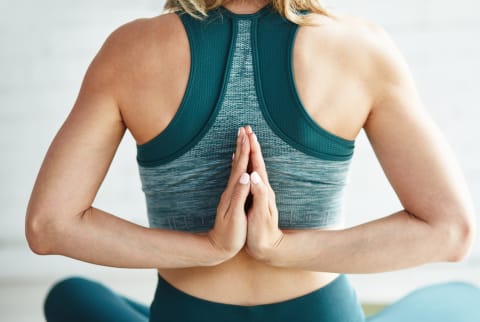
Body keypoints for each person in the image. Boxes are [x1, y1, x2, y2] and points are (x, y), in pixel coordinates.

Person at [26, 0, 477, 321]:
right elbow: (451, 232)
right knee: (462, 299)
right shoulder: (361, 47)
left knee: (71, 296)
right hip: (320, 313)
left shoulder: (128, 49)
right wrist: (279, 248)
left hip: (186, 313)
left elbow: (50, 226)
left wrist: (210, 249)